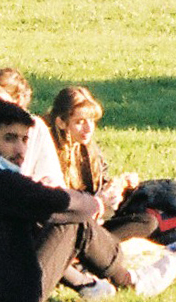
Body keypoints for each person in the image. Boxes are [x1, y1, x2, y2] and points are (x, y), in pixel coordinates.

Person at [0, 98, 171, 302]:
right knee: (76, 220)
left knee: (63, 217)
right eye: (9, 138)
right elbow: (60, 204)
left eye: (24, 140)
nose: (20, 150)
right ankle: (130, 280)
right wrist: (98, 204)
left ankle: (91, 283)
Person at [46, 85, 142, 232]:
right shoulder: (49, 151)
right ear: (61, 123)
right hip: (66, 226)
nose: (88, 129)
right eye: (79, 122)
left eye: (91, 121)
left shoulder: (88, 149)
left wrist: (120, 185)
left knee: (147, 221)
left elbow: (99, 184)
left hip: (93, 221)